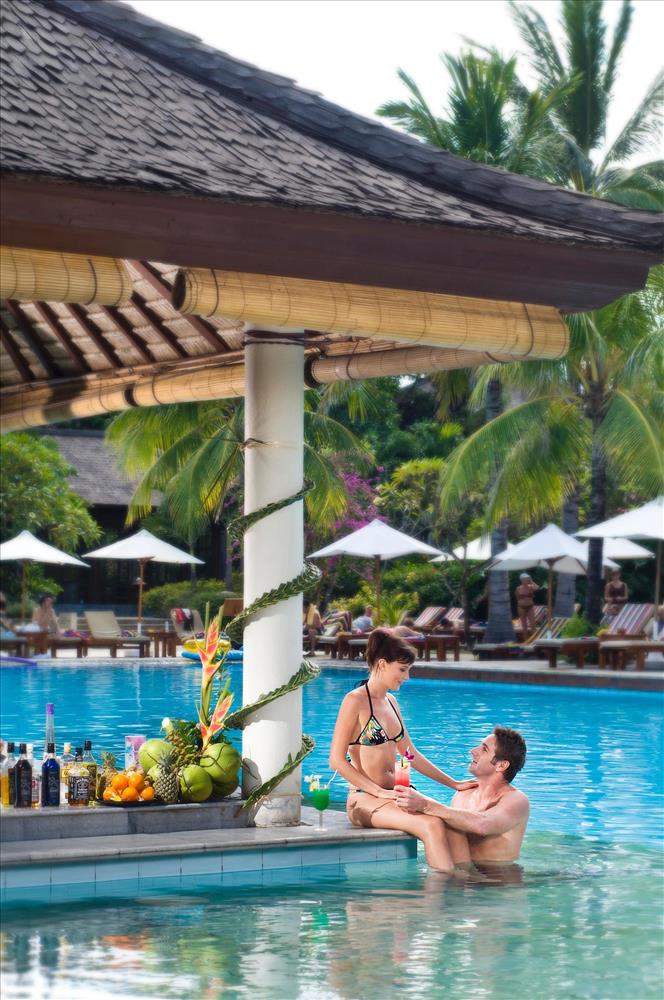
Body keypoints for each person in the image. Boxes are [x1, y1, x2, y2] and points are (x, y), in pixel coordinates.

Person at [329, 628, 476, 872]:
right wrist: (378, 792)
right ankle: (439, 892)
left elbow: (410, 755)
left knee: (452, 822)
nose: (407, 677)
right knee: (432, 825)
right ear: (382, 664)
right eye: (402, 670)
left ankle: (468, 884)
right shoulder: (355, 701)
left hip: (397, 794)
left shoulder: (391, 702)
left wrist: (454, 784)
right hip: (365, 799)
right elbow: (336, 760)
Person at [394, 726, 529, 871]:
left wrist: (425, 805)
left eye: (484, 749)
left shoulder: (516, 800)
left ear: (501, 765)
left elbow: (483, 825)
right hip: (462, 874)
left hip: (498, 880)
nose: (473, 751)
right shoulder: (463, 794)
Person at [515, 573, 540, 639]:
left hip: (530, 607)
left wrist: (531, 581)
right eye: (525, 579)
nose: (526, 580)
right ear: (522, 580)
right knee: (524, 625)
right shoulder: (518, 588)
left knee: (533, 624)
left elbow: (537, 588)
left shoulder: (531, 587)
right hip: (521, 607)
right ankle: (526, 640)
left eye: (527, 579)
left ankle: (535, 639)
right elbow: (517, 597)